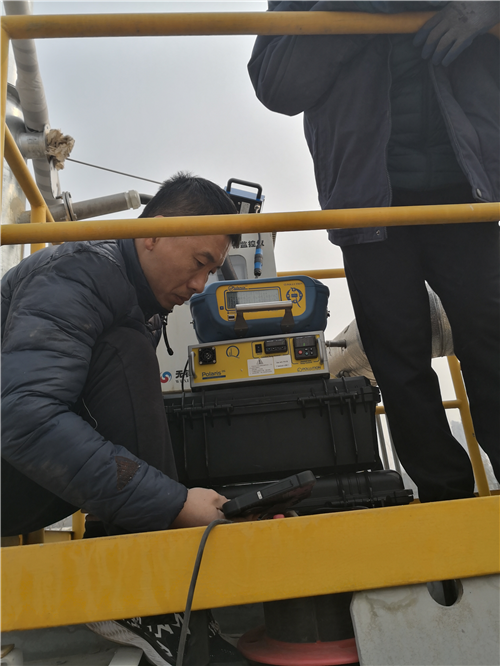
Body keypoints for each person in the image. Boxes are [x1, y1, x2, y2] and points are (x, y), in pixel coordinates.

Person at [248, 1, 500, 502]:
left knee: (493, 340)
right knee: (398, 362)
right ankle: (446, 501)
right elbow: (278, 85)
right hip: (368, 200)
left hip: (467, 189)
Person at [1, 171, 247, 665]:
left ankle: (170, 599)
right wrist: (174, 503)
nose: (200, 285)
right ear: (152, 232)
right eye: (199, 263)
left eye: (212, 271)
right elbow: (24, 417)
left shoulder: (134, 295)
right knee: (124, 350)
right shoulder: (81, 271)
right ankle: (145, 597)